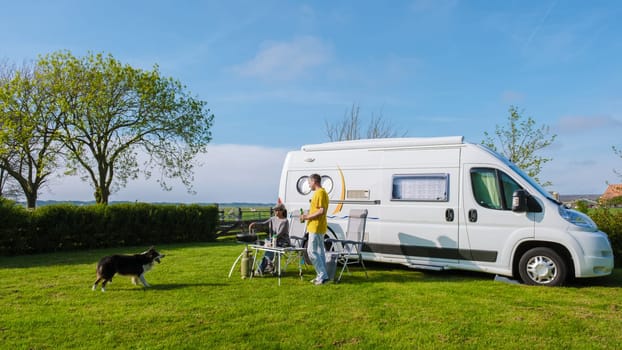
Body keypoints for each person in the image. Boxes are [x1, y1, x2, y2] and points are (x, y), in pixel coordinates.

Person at [300, 173, 330, 285]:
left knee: (311, 251)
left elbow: (321, 211)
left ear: (314, 182)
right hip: (317, 226)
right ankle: (321, 276)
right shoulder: (321, 193)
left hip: (316, 227)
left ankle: (322, 275)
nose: (308, 185)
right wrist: (307, 214)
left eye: (309, 183)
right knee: (319, 252)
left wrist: (306, 217)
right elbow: (317, 210)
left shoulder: (320, 193)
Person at [249, 203, 289, 274]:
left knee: (270, 250)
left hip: (283, 242)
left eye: (278, 210)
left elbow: (280, 234)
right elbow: (263, 224)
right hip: (273, 241)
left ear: (282, 211)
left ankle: (260, 269)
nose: (276, 212)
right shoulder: (272, 219)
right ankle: (267, 266)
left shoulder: (285, 221)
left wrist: (271, 241)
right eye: (275, 210)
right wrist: (255, 224)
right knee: (264, 245)